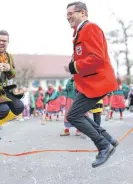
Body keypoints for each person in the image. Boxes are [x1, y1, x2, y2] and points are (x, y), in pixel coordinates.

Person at [64, 2, 119, 168]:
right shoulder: (79, 32)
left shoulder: (90, 28)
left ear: (83, 13)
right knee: (77, 113)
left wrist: (72, 66)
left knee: (73, 115)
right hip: (89, 84)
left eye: (71, 13)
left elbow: (97, 58)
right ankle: (108, 140)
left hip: (97, 82)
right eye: (66, 15)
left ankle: (104, 145)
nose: (68, 17)